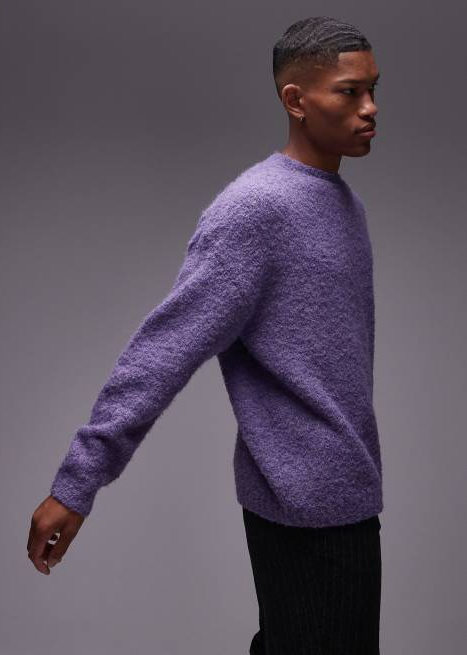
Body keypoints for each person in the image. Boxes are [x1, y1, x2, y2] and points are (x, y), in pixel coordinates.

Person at [27, 14, 383, 655]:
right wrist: (78, 481)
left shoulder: (344, 205)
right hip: (302, 507)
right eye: (350, 91)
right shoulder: (256, 209)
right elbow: (163, 350)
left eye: (373, 89)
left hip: (350, 495)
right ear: (295, 100)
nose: (370, 108)